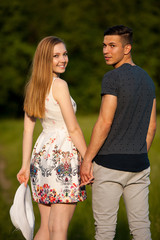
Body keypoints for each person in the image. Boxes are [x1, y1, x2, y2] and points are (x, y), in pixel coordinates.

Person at [80, 25, 156, 240]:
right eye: (104, 45)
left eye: (112, 46)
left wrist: (87, 160)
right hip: (140, 164)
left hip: (109, 165)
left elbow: (104, 122)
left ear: (127, 48)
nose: (106, 50)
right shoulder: (148, 81)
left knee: (104, 232)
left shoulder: (112, 78)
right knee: (141, 229)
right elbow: (151, 128)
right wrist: (138, 154)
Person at [17, 36, 87, 240]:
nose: (62, 59)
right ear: (44, 59)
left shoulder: (33, 87)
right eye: (55, 56)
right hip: (63, 158)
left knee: (46, 228)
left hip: (40, 159)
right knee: (58, 230)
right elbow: (73, 129)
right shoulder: (59, 85)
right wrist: (89, 159)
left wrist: (24, 166)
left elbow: (28, 131)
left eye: (64, 54)